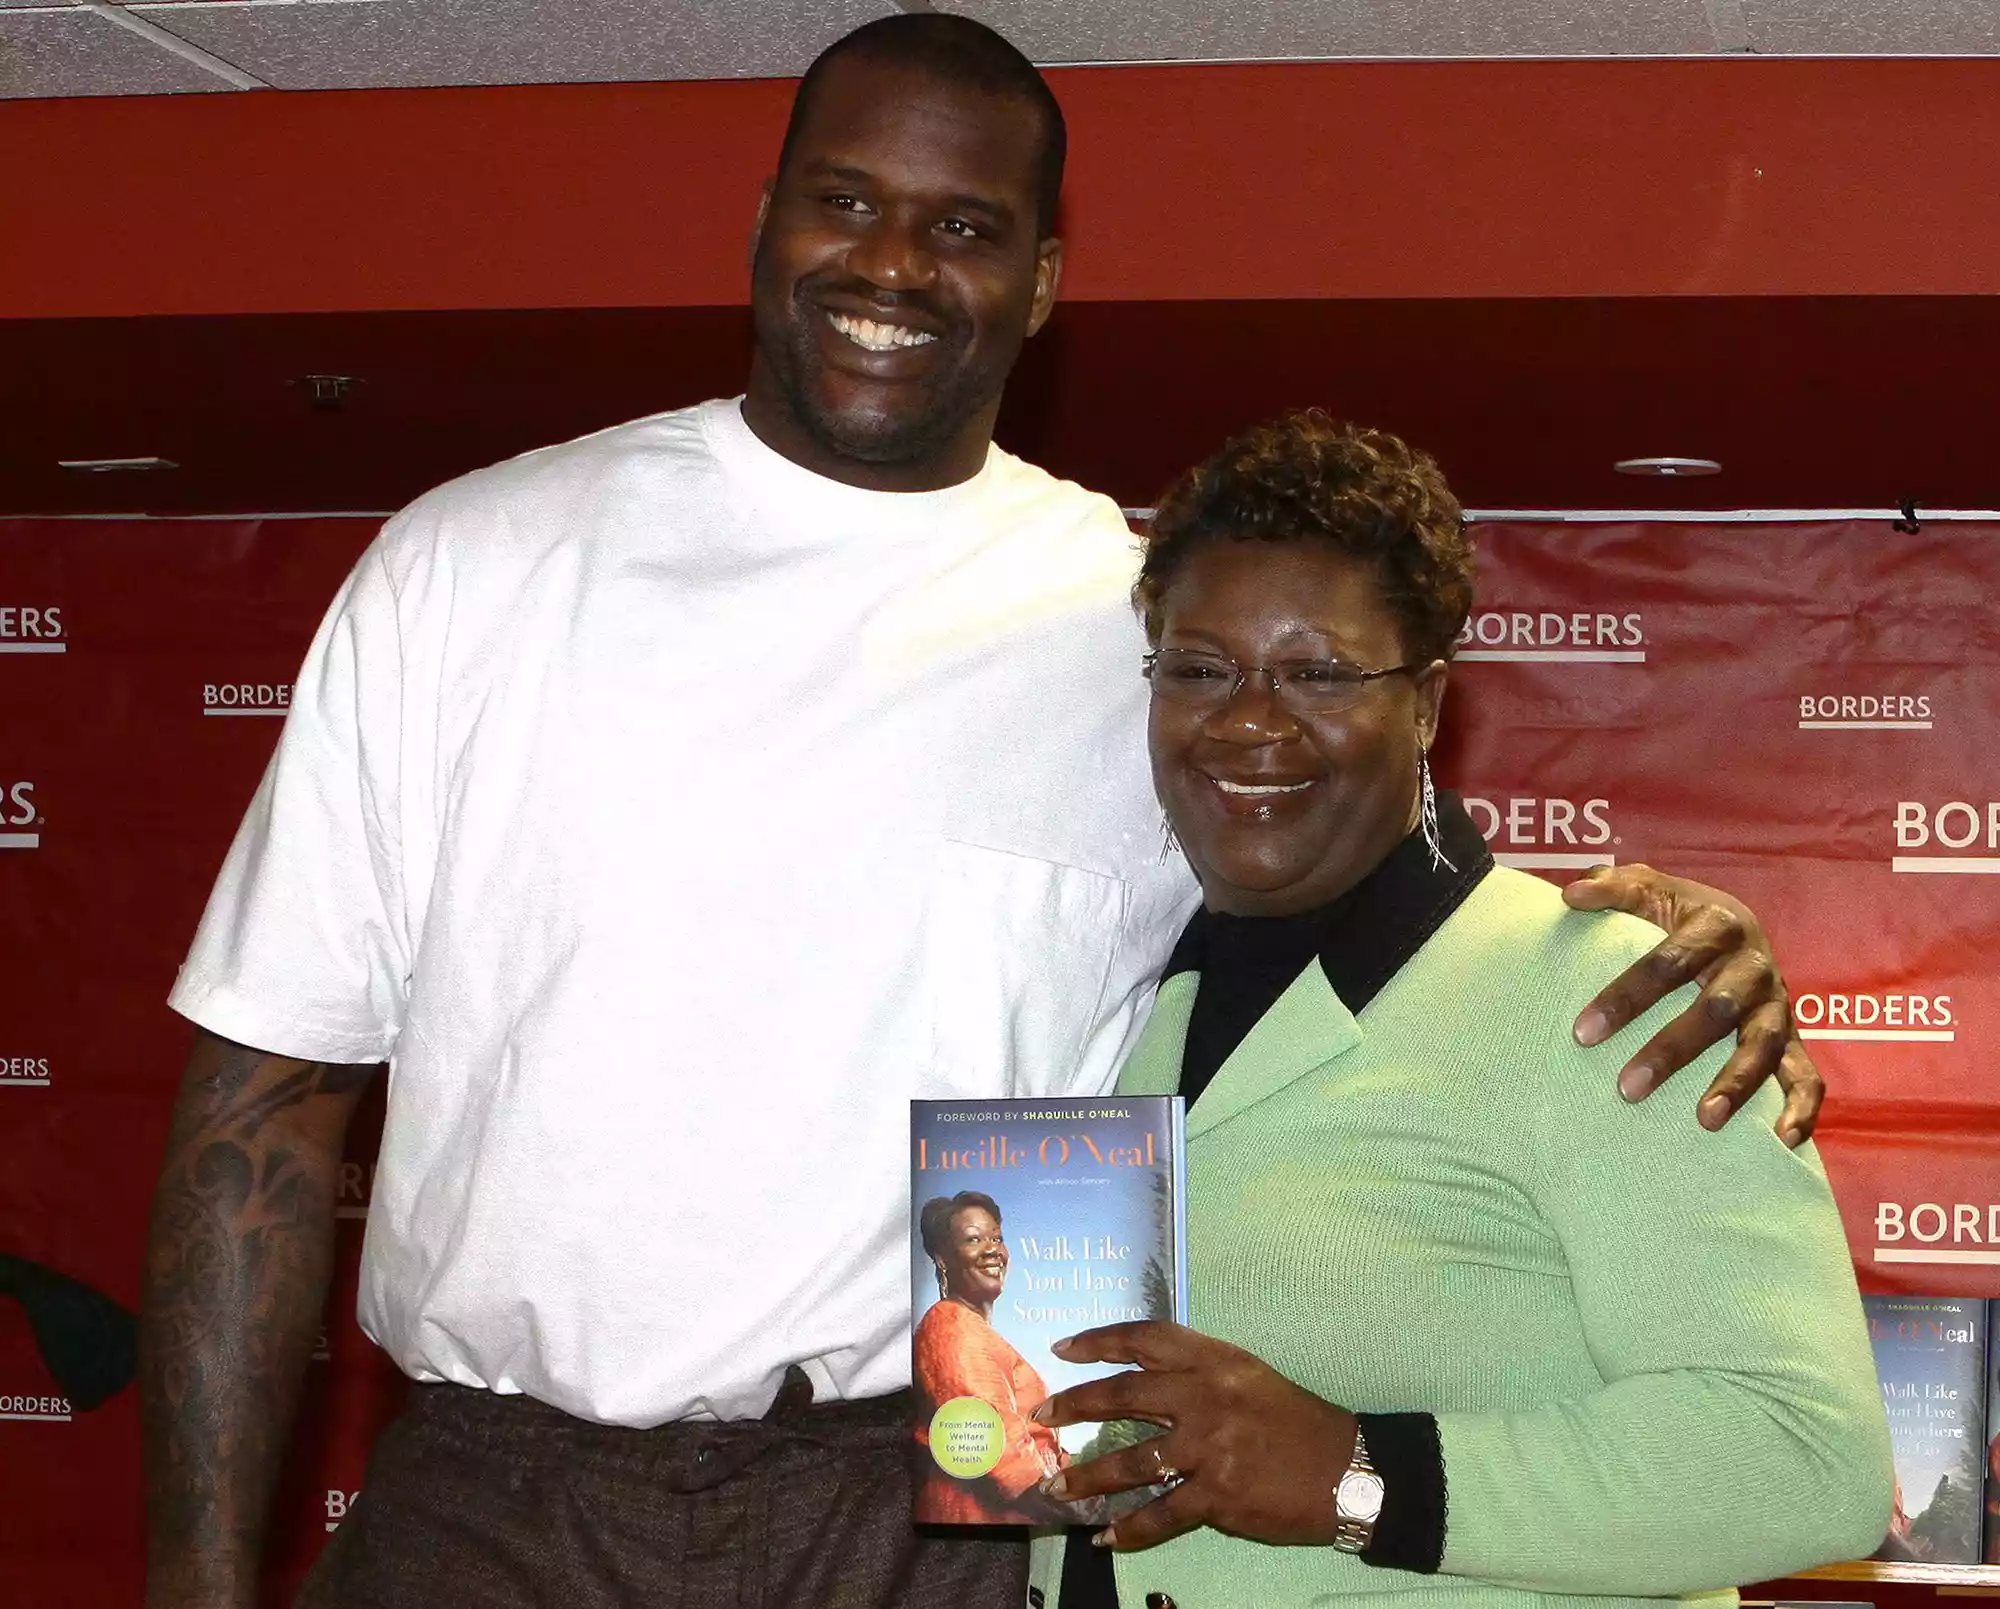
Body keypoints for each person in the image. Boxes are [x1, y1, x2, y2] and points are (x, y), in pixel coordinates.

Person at [139, 15, 1826, 1609]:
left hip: (922, 1500)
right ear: (764, 219)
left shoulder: (1131, 620)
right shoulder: (473, 565)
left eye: (962, 225)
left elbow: (1341, 838)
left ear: (1042, 284)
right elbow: (263, 1097)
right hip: (498, 1497)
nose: (890, 265)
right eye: (847, 202)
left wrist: (1657, 937)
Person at [1030, 413, 1895, 1609]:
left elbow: (1802, 1456)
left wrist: (1356, 1474)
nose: (1247, 717)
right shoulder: (1121, 997)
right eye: (1199, 665)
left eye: (1319, 672)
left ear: (1427, 703)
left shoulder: (1608, 994)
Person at [912, 1192, 1072, 1525]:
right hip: (977, 1525)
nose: (992, 1249)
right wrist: (1074, 1507)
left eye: (996, 1237)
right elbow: (998, 1447)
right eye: (974, 1239)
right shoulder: (951, 1325)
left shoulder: (976, 1330)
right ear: (943, 1259)